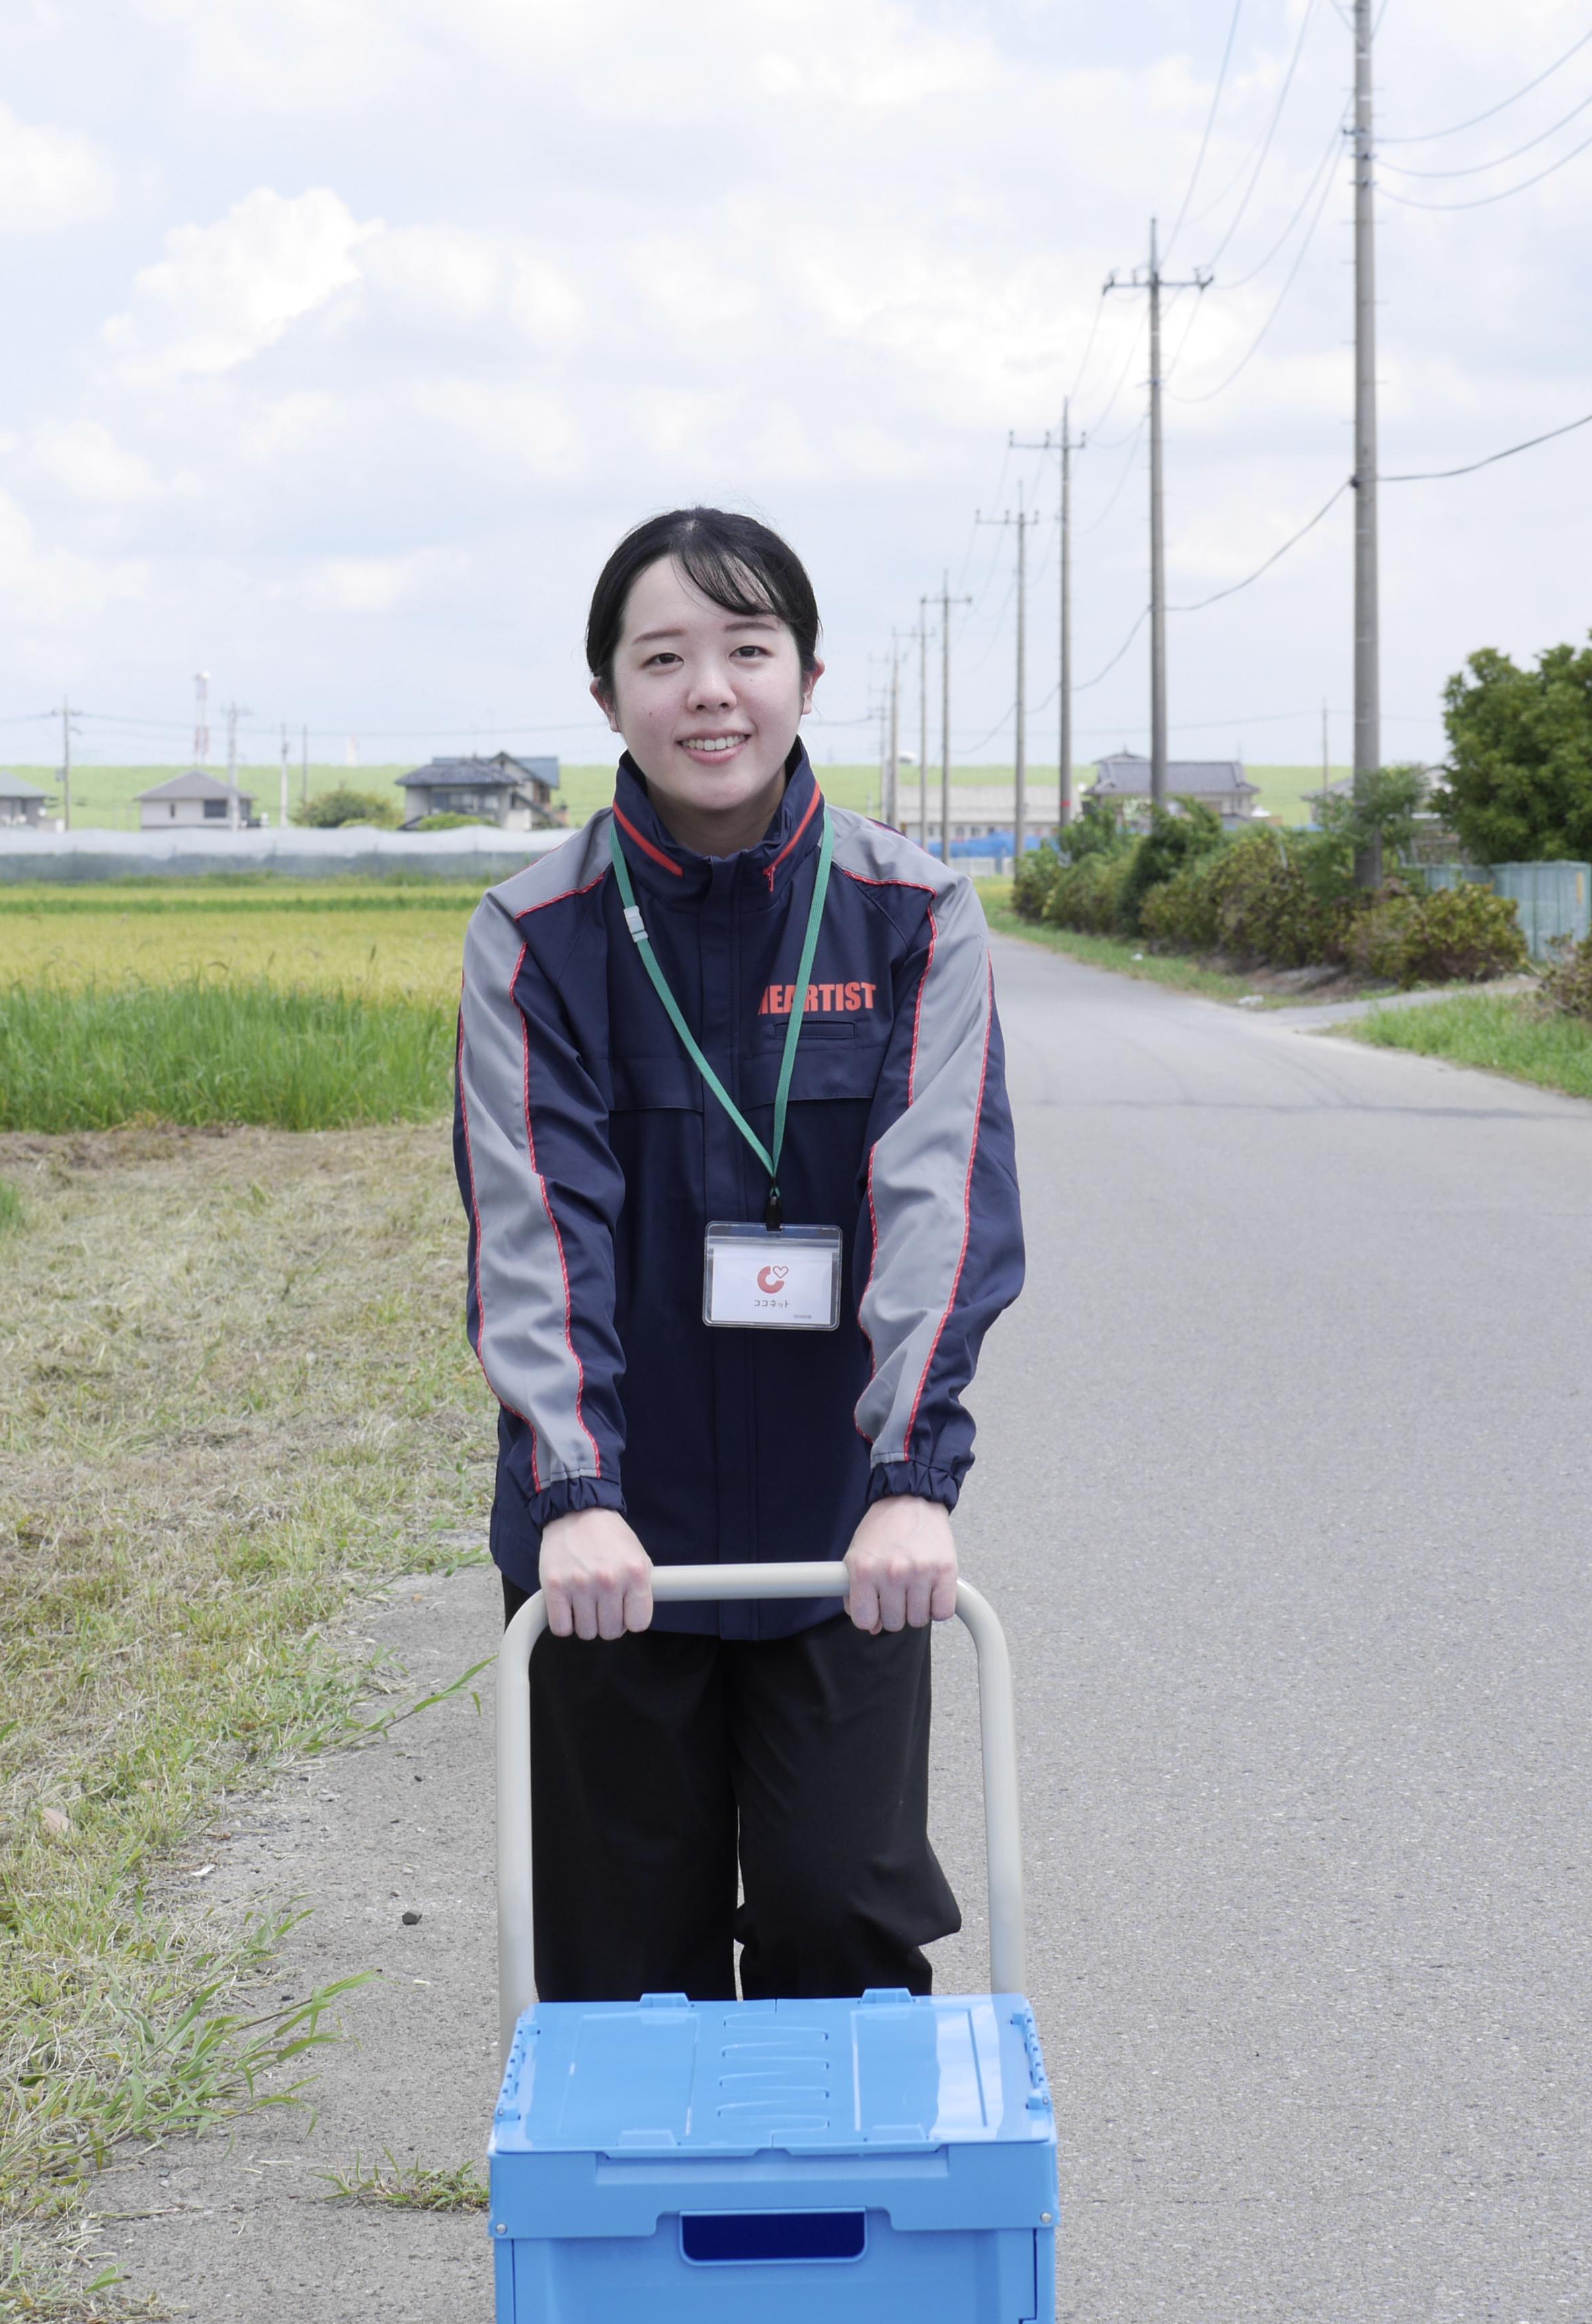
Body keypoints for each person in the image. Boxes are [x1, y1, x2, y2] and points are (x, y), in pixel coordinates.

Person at [452, 507, 1023, 2005]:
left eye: (746, 648)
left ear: (808, 675)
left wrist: (910, 1481)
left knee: (843, 1917)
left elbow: (941, 1206)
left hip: (841, 1535)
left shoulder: (914, 917)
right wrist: (573, 1495)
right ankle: (651, 2241)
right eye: (665, 657)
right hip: (607, 1551)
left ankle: (844, 2238)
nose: (711, 690)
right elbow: (536, 1230)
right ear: (607, 699)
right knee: (624, 1968)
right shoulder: (537, 937)